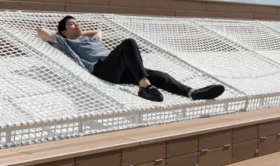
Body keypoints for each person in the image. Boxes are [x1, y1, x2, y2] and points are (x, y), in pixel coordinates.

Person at [39, 16, 225, 103]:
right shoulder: (66, 43)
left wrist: (79, 32)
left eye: (77, 22)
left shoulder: (90, 39)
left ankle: (193, 93)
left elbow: (98, 32)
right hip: (102, 70)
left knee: (160, 75)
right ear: (64, 31)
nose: (77, 24)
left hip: (118, 68)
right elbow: (42, 32)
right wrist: (67, 37)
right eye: (72, 24)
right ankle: (144, 87)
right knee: (129, 43)